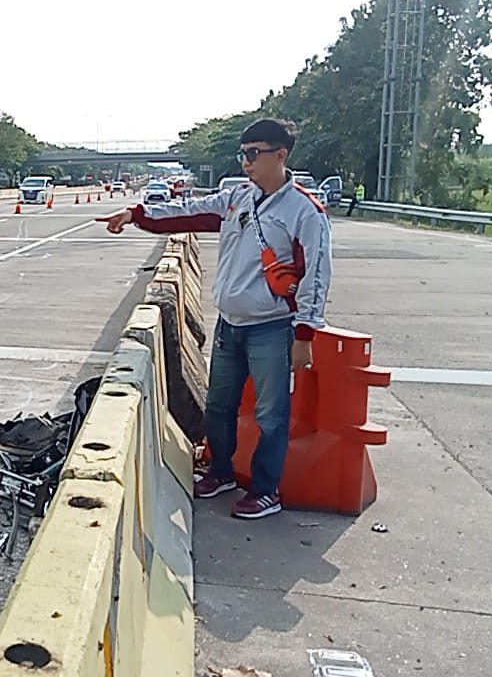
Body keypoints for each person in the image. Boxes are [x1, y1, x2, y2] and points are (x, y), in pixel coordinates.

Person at [97, 118, 332, 519]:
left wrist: (305, 334)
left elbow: (317, 273)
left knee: (271, 415)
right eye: (243, 154)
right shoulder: (238, 198)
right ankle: (220, 471)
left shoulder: (305, 211)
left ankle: (265, 491)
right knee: (219, 406)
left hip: (272, 327)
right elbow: (186, 211)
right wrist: (137, 214)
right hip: (229, 324)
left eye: (254, 153)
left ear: (281, 155)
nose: (247, 162)